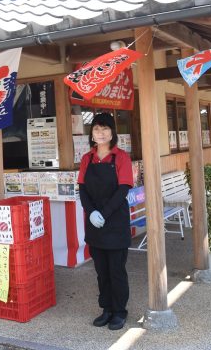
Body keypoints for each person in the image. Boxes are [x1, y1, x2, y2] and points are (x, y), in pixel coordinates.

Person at [78, 112, 134, 330]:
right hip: (94, 225)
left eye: (105, 129)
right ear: (92, 133)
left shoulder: (121, 157)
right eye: (96, 129)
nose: (100, 133)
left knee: (116, 270)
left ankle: (120, 311)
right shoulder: (87, 159)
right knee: (101, 271)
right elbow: (82, 189)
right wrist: (91, 212)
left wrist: (105, 213)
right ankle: (106, 309)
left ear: (112, 132)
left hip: (115, 222)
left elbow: (123, 189)